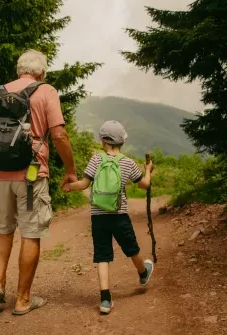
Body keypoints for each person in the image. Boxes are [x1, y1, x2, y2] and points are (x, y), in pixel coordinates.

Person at [0, 49, 77, 315]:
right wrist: (70, 170)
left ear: (19, 70)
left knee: (3, 228)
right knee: (30, 233)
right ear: (41, 72)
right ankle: (23, 299)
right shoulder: (46, 91)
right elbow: (59, 135)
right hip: (30, 175)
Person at [62, 120, 155, 315]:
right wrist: (148, 170)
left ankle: (105, 299)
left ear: (102, 140)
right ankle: (143, 273)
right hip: (119, 215)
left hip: (98, 217)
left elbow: (84, 184)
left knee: (102, 255)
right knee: (131, 248)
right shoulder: (128, 162)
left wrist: (69, 186)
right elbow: (144, 185)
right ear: (122, 142)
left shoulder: (96, 160)